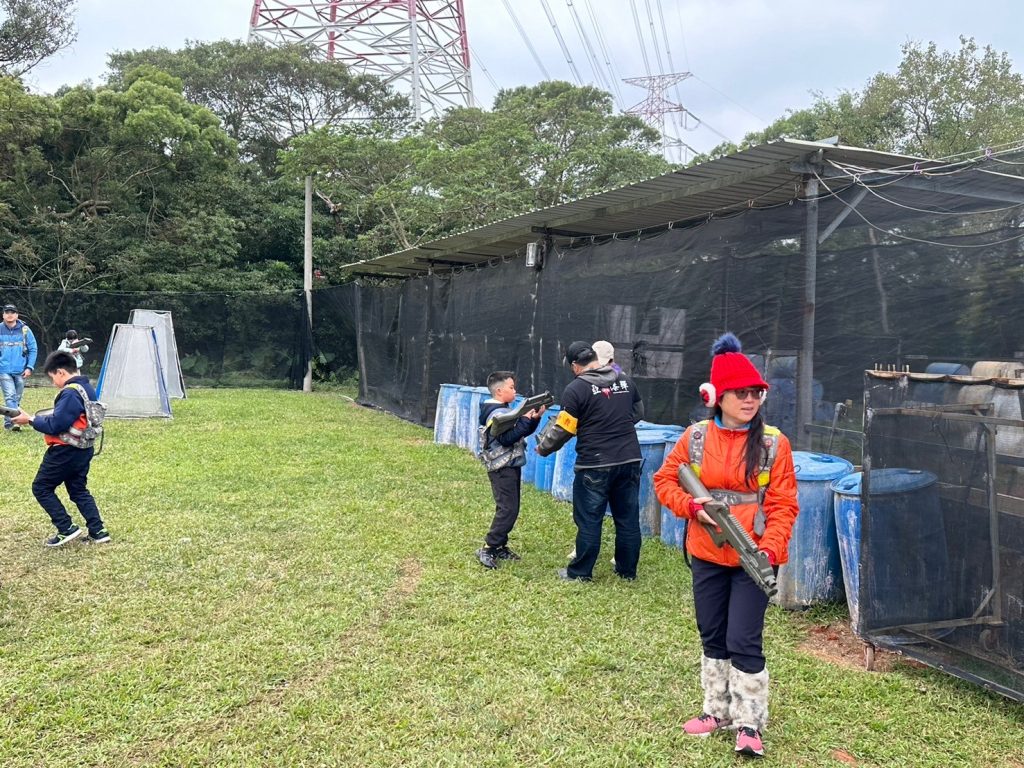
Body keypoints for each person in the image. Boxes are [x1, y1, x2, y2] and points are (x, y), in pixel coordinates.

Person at [653, 332, 798, 759]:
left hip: (754, 558)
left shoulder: (773, 443)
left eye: (756, 392)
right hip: (707, 554)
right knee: (712, 633)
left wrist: (768, 550)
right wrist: (692, 508)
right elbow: (665, 480)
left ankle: (749, 722)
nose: (750, 400)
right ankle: (715, 711)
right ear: (717, 397)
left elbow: (784, 505)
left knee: (744, 639)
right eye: (740, 393)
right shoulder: (695, 438)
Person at [537, 341, 644, 581]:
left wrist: (543, 448)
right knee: (627, 518)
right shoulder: (625, 381)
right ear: (595, 357)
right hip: (629, 459)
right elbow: (638, 413)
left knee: (589, 520)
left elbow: (564, 429)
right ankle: (627, 571)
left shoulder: (576, 389)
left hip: (594, 464)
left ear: (575, 365)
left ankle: (580, 573)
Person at [11, 350, 111, 547]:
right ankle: (98, 531)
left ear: (60, 372)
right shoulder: (86, 387)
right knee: (78, 489)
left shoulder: (70, 393)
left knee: (41, 487)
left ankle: (66, 528)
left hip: (65, 451)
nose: (53, 383)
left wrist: (30, 419)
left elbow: (56, 425)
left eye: (52, 378)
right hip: (83, 449)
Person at [475, 371, 545, 569]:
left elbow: (519, 433)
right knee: (508, 509)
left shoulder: (504, 410)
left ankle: (499, 546)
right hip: (501, 467)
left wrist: (534, 418)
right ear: (499, 391)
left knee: (510, 508)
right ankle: (489, 547)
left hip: (510, 464)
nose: (515, 391)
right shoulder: (496, 414)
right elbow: (506, 439)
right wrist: (524, 419)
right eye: (511, 387)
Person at [0, 304, 38, 432]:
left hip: (21, 370)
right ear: (3, 315)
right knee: (10, 396)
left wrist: (29, 367)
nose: (10, 315)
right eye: (7, 312)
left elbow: (33, 349)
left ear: (17, 315)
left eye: (12, 312)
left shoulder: (25, 330)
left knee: (16, 398)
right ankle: (13, 423)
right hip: (3, 370)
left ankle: (9, 421)